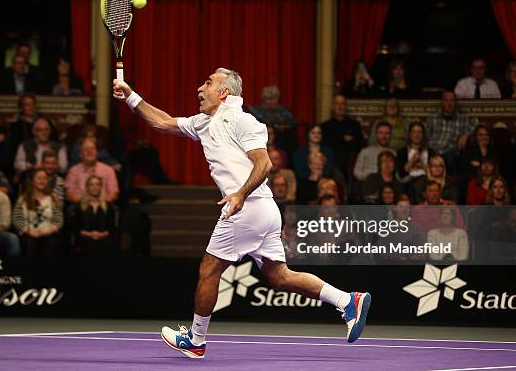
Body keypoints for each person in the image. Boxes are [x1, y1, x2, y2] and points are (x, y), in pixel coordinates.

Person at [113, 68, 371, 359]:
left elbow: (264, 164)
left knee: (209, 270)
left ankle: (196, 340)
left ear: (224, 92)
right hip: (264, 210)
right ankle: (348, 300)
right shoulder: (204, 122)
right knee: (279, 276)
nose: (200, 88)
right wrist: (130, 97)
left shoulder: (242, 119)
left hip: (247, 207)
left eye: (207, 83)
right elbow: (162, 122)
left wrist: (239, 194)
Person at [12, 168, 63, 257]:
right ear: (32, 181)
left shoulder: (53, 199)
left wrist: (49, 231)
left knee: (51, 243)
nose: (42, 181)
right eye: (38, 178)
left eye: (44, 178)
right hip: (29, 233)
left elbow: (59, 220)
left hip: (49, 233)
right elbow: (17, 219)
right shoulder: (22, 199)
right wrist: (29, 231)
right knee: (30, 244)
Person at [425, 91, 475, 173]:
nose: (449, 103)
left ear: (456, 102)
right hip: (432, 151)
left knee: (449, 159)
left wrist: (466, 135)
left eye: (452, 100)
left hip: (449, 153)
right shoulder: (434, 118)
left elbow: (477, 125)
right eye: (446, 100)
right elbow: (425, 134)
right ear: (442, 102)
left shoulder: (463, 119)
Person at [72, 175, 118, 256]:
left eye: (97, 184)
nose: (95, 187)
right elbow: (76, 228)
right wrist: (90, 234)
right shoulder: (79, 206)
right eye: (91, 184)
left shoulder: (109, 206)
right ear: (87, 187)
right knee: (90, 245)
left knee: (105, 244)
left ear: (101, 187)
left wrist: (101, 235)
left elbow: (112, 228)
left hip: (104, 238)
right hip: (85, 237)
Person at [320, 94, 364, 178]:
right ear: (332, 107)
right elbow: (325, 146)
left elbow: (358, 145)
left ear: (346, 106)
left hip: (350, 162)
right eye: (337, 104)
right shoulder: (324, 127)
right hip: (331, 161)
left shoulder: (355, 125)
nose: (340, 107)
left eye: (342, 104)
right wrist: (343, 140)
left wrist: (337, 140)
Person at [65, 137, 119, 204]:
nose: (89, 151)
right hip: (80, 208)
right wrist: (88, 202)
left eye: (92, 148)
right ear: (80, 154)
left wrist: (98, 203)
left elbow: (113, 194)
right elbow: (69, 194)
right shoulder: (73, 171)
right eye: (85, 149)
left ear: (97, 152)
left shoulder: (108, 170)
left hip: (104, 207)